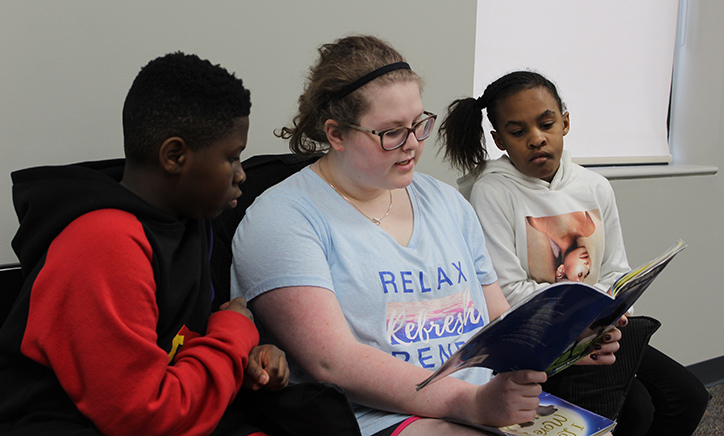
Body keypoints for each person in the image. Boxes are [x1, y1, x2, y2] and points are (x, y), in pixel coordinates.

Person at [229, 35, 620, 436]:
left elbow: (499, 323)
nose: (414, 145)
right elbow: (332, 362)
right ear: (337, 134)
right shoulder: (283, 218)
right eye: (392, 133)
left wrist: (568, 343)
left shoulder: (446, 203)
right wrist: (467, 402)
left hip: (483, 404)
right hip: (383, 417)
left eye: (419, 124)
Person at [0, 52, 289, 436]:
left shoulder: (188, 221)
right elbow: (142, 417)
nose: (241, 176)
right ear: (174, 156)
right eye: (231, 158)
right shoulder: (104, 242)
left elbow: (180, 344)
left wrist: (247, 358)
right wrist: (235, 333)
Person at [438, 70, 710, 436]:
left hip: (601, 329)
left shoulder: (595, 186)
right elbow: (507, 292)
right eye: (518, 132)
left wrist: (616, 314)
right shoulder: (491, 192)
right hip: (544, 340)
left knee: (688, 395)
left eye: (546, 124)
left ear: (564, 122)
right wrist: (585, 318)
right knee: (637, 408)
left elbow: (615, 270)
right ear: (499, 139)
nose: (536, 139)